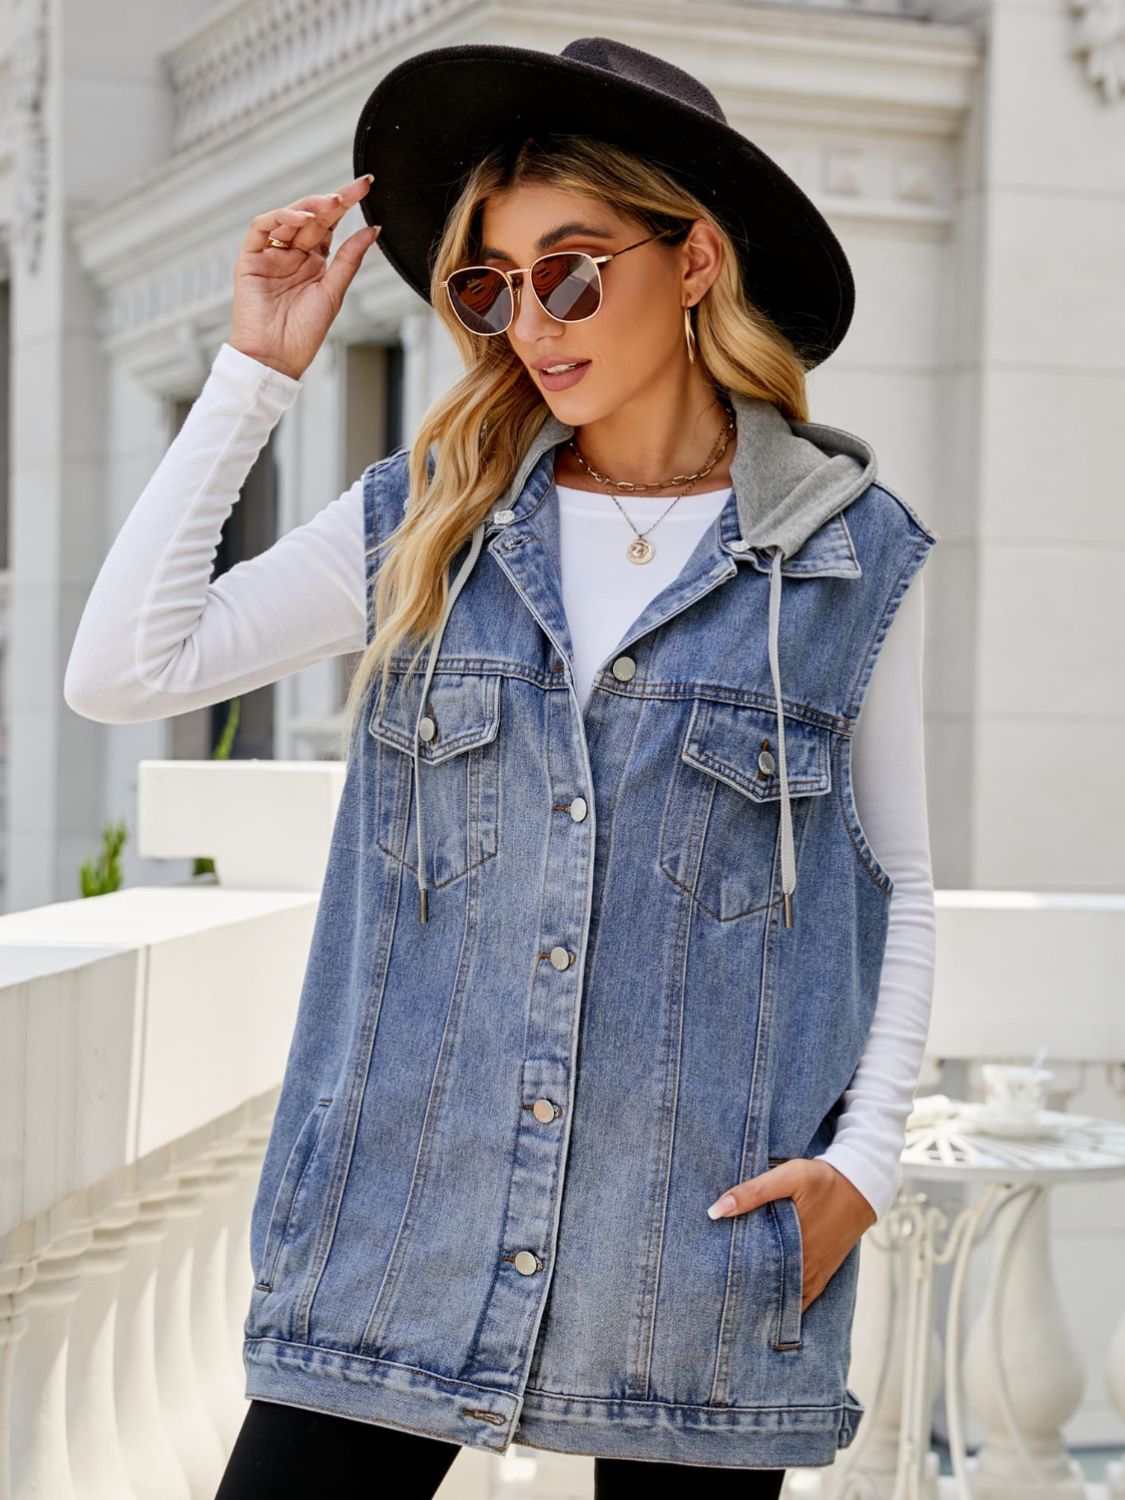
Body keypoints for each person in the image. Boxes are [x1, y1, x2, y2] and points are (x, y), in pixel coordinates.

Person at [64, 35, 939, 1499]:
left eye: (572, 273)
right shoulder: (428, 521)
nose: (531, 321)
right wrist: (255, 372)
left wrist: (867, 1167)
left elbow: (892, 879)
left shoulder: (848, 555)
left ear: (694, 258)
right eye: (490, 285)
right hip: (398, 1224)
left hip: (697, 1251)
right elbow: (121, 669)